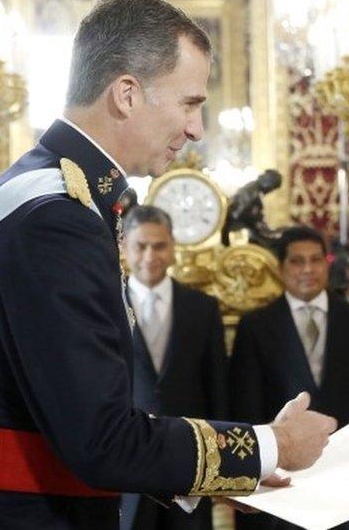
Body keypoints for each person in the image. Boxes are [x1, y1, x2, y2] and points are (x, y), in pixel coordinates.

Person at [0, 0, 335, 530]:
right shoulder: (55, 216)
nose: (198, 128)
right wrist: (274, 445)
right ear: (127, 94)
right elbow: (100, 440)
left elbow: (72, 417)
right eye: (189, 103)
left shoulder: (56, 192)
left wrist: (236, 472)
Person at [229, 226, 349, 530]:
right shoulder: (256, 326)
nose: (307, 269)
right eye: (297, 261)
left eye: (316, 260)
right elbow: (245, 408)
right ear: (281, 267)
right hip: (281, 477)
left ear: (326, 264)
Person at [118, 205, 230, 530]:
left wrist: (222, 465)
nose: (150, 255)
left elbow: (217, 387)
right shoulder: (104, 305)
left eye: (160, 245)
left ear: (173, 248)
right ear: (125, 248)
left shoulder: (203, 309)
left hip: (191, 461)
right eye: (141, 246)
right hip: (126, 459)